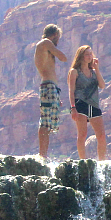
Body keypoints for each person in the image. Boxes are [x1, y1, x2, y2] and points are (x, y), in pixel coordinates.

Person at [33, 24, 67, 159]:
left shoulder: (45, 47)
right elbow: (63, 57)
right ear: (54, 35)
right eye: (58, 37)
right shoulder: (46, 43)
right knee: (45, 122)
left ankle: (44, 154)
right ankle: (42, 155)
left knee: (48, 123)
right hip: (48, 86)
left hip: (51, 87)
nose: (58, 40)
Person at [68, 45, 107, 160]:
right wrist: (73, 108)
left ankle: (102, 161)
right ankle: (83, 160)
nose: (90, 56)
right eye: (87, 54)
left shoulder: (94, 72)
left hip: (94, 105)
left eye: (91, 54)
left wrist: (97, 69)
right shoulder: (74, 72)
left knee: (101, 135)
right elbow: (71, 91)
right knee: (82, 134)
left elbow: (102, 85)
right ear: (81, 56)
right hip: (81, 103)